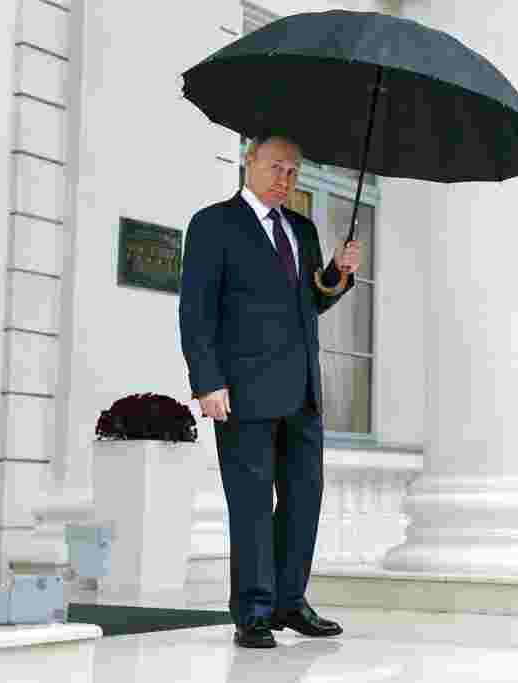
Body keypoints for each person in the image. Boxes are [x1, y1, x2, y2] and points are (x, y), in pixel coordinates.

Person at [179, 132, 361, 648]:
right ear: (249, 162)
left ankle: (290, 601)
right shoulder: (214, 224)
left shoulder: (301, 229)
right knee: (253, 504)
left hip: (302, 391)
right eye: (277, 167)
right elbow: (196, 310)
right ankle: (254, 611)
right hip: (243, 391)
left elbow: (309, 303)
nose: (286, 179)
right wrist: (207, 382)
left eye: (294, 172)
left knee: (304, 499)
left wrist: (338, 274)